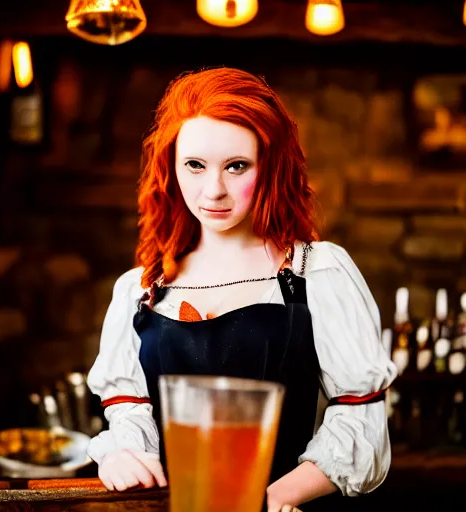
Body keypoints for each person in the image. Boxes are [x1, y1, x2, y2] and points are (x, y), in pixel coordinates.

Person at [86, 66, 398, 511]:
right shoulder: (140, 290)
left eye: (237, 166)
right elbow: (131, 413)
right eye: (194, 165)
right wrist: (121, 452)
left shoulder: (318, 272)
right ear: (170, 167)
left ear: (270, 167)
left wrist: (271, 497)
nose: (214, 190)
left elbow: (360, 419)